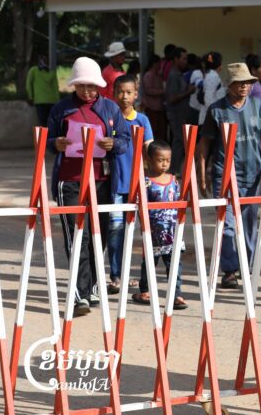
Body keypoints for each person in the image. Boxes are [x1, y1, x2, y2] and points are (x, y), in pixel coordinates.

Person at [47, 57, 130, 317]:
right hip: (69, 181)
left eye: (91, 86)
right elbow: (46, 138)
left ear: (99, 86)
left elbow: (125, 139)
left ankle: (92, 287)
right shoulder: (61, 109)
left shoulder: (111, 109)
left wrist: (112, 144)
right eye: (81, 86)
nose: (87, 91)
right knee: (76, 238)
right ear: (74, 85)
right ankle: (79, 294)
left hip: (102, 181)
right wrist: (56, 143)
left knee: (99, 235)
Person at [198, 63, 261, 289]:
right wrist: (202, 173)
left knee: (249, 225)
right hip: (224, 174)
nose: (245, 86)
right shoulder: (216, 110)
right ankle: (229, 270)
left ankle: (247, 268)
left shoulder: (257, 106)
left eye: (248, 82)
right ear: (229, 85)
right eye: (240, 83)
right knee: (226, 225)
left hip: (253, 173)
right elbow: (205, 143)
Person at [107, 74, 153, 295]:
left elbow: (150, 150)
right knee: (115, 230)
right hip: (115, 185)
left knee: (134, 231)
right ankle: (115, 275)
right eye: (120, 92)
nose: (124, 96)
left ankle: (128, 273)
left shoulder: (142, 121)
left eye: (128, 92)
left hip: (137, 186)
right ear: (114, 93)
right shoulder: (109, 118)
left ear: (136, 94)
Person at [131, 140, 187, 310]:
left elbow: (178, 201)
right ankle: (145, 291)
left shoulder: (173, 180)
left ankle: (176, 294)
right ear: (149, 160)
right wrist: (143, 225)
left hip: (172, 231)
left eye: (167, 160)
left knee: (174, 264)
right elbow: (141, 205)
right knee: (149, 262)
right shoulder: (146, 181)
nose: (164, 164)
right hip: (153, 231)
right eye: (160, 160)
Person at [164, 47, 193, 175]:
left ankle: (176, 169)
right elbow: (172, 98)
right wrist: (189, 91)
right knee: (178, 140)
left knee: (180, 140)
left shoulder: (180, 74)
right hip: (175, 114)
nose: (185, 61)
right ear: (176, 59)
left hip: (181, 113)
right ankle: (174, 170)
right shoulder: (174, 75)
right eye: (183, 58)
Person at [25, 55, 59, 126]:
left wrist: (30, 97)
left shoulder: (33, 70)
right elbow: (55, 88)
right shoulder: (51, 72)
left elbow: (29, 83)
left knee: (42, 122)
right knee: (51, 122)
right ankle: (50, 137)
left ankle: (43, 137)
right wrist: (57, 101)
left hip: (40, 101)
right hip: (52, 101)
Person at [141, 54, 168, 142]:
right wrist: (163, 91)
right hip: (151, 108)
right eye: (159, 63)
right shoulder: (149, 75)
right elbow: (149, 90)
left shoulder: (158, 75)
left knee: (161, 131)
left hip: (159, 108)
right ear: (154, 64)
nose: (160, 65)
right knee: (152, 131)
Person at [199, 52, 225, 125]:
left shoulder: (211, 75)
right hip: (210, 119)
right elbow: (208, 99)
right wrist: (216, 116)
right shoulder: (212, 76)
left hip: (210, 116)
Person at [185, 53, 202, 125]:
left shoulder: (187, 74)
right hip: (194, 108)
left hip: (193, 107)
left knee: (191, 134)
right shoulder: (196, 73)